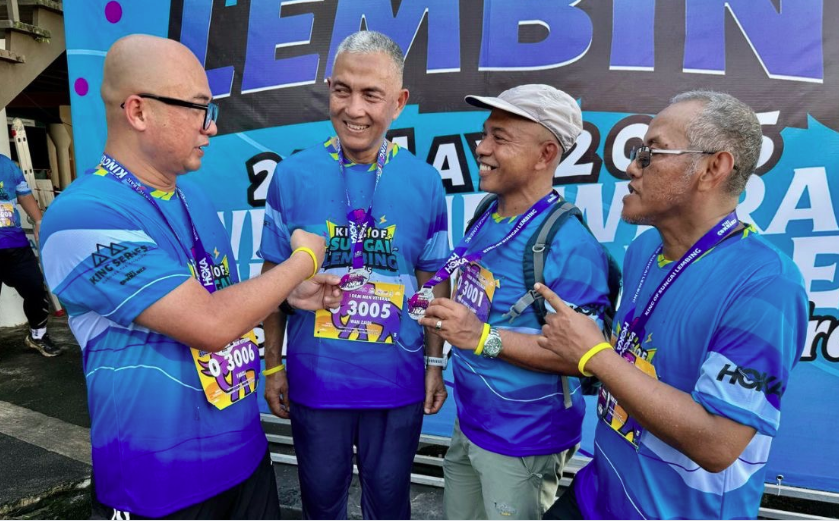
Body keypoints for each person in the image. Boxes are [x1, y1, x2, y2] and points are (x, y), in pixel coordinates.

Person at [39, 34, 339, 519]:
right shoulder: (80, 215)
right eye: (199, 108)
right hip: (157, 486)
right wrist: (303, 260)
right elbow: (209, 322)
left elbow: (227, 305)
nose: (211, 127)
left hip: (245, 460)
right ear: (138, 112)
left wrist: (290, 296)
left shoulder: (194, 199)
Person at [534, 91, 808, 519]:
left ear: (712, 168)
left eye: (650, 153)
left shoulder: (766, 282)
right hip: (596, 494)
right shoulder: (644, 249)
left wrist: (595, 355)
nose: (630, 167)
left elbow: (718, 444)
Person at [259, 30, 450, 520]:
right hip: (317, 377)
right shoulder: (292, 174)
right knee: (320, 501)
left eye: (371, 95)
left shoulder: (424, 181)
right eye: (342, 90)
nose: (354, 109)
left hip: (397, 381)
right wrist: (274, 364)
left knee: (389, 501)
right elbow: (272, 278)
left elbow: (432, 279)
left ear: (399, 102)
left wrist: (433, 365)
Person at [416, 84, 612, 520]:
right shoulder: (489, 210)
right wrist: (435, 365)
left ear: (545, 155)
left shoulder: (570, 244)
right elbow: (461, 284)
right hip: (471, 422)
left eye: (499, 139)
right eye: (484, 134)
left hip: (523, 440)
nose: (481, 148)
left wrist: (481, 337)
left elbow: (583, 355)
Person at [0, 153, 59, 356]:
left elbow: (23, 194)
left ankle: (37, 336)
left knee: (35, 288)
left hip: (15, 244)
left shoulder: (6, 164)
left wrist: (39, 221)